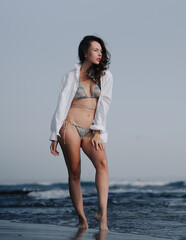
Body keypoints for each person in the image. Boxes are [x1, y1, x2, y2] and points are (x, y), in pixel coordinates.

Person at [49, 35, 113, 230]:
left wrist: (97, 132)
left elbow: (105, 104)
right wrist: (54, 134)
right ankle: (82, 218)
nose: (100, 54)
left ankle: (103, 216)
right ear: (85, 52)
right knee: (75, 172)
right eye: (96, 50)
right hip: (69, 125)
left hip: (91, 130)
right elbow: (61, 105)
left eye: (101, 51)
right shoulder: (70, 75)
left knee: (102, 164)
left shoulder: (105, 76)